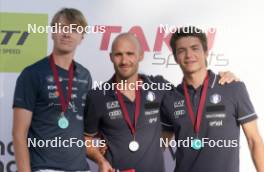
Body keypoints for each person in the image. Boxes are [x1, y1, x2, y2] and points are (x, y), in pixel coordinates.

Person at [83, 32, 237, 172]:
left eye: (130, 53)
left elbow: (192, 94)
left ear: (141, 56)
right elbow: (85, 140)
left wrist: (226, 79)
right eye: (118, 54)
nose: (124, 60)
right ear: (110, 57)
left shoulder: (160, 86)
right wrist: (100, 160)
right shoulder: (97, 96)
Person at [160, 26, 264, 172]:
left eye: (195, 48)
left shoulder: (233, 88)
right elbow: (160, 144)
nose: (189, 55)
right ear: (176, 57)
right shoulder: (169, 98)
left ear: (206, 52)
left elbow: (254, 140)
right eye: (182, 50)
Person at [12, 8, 92, 172]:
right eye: (62, 27)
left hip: (81, 168)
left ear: (82, 37)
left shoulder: (85, 75)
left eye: (74, 29)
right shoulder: (32, 74)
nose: (67, 34)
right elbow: (19, 134)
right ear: (52, 32)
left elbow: (85, 129)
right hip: (44, 168)